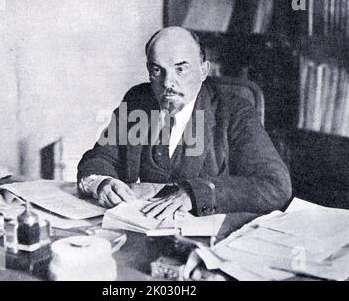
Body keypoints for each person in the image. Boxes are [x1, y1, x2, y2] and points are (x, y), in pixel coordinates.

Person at [77, 26, 291, 220]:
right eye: (157, 70)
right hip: (137, 228)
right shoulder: (137, 101)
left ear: (204, 70)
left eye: (181, 69)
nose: (168, 83)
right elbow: (100, 157)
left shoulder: (234, 112)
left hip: (203, 240)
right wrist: (102, 183)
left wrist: (196, 194)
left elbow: (276, 185)